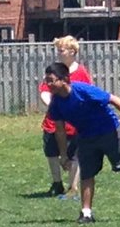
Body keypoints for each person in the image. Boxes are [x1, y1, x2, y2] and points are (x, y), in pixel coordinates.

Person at [44, 62, 120, 224]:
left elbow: (113, 99)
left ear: (64, 79)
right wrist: (63, 155)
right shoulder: (56, 103)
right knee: (87, 173)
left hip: (109, 130)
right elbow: (60, 130)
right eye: (47, 80)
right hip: (86, 136)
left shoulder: (83, 90)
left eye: (51, 80)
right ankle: (86, 213)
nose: (48, 85)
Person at [38, 35, 92, 196]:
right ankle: (57, 183)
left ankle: (73, 186)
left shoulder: (81, 72)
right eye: (58, 50)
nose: (59, 54)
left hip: (73, 122)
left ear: (72, 52)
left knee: (75, 153)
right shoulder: (54, 70)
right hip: (53, 121)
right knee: (51, 151)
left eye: (61, 50)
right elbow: (44, 90)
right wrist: (53, 106)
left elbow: (87, 94)